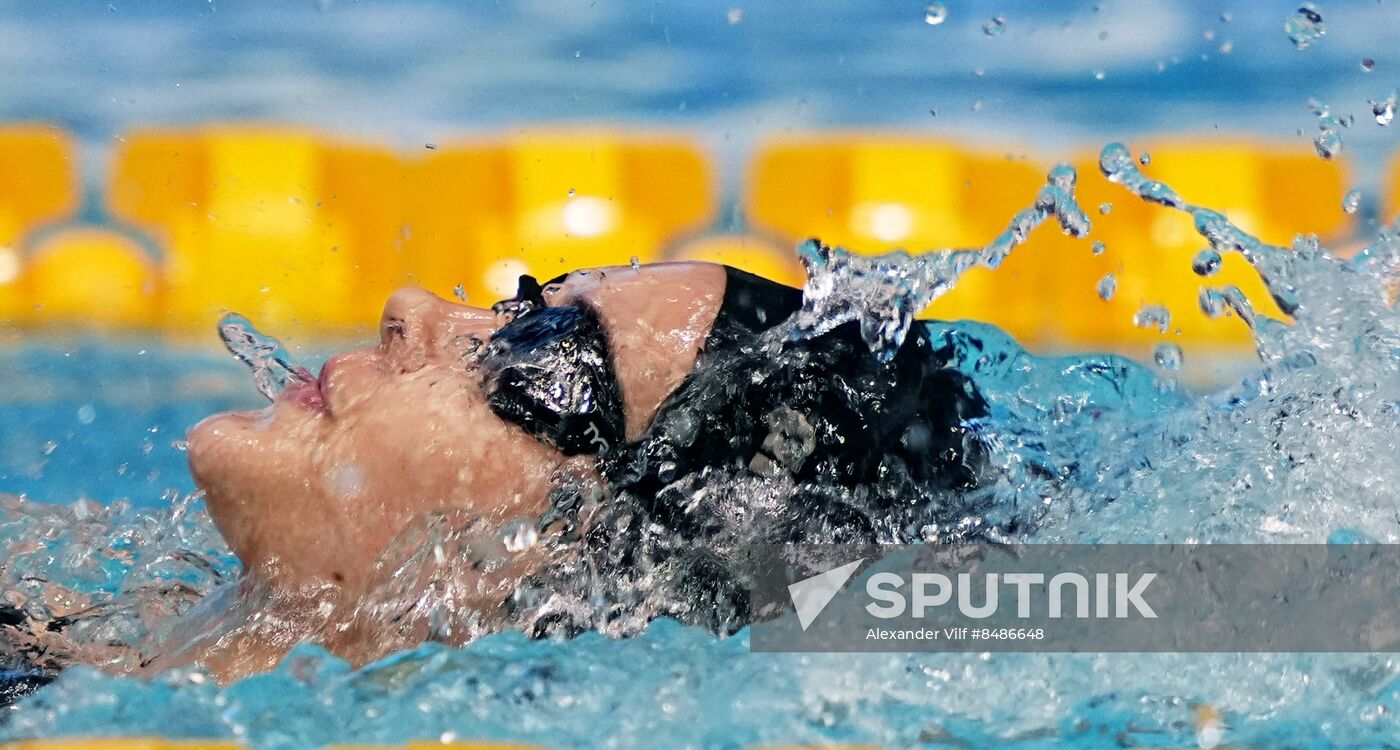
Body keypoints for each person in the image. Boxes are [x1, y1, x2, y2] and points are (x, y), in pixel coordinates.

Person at [6, 259, 993, 687]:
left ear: (580, 557)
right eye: (514, 303)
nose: (411, 306)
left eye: (539, 354)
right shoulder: (69, 633)